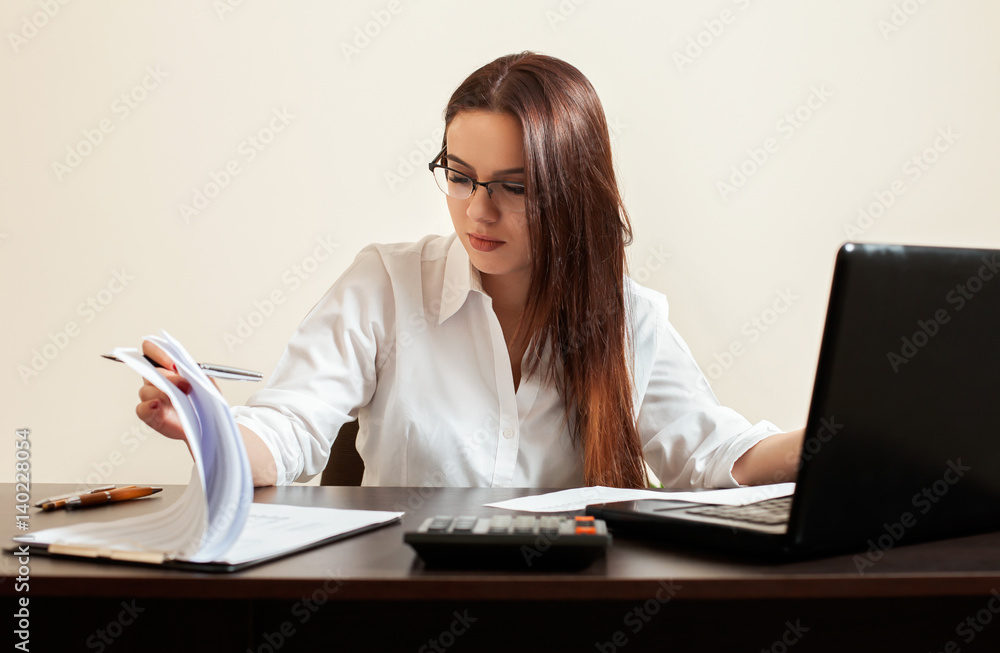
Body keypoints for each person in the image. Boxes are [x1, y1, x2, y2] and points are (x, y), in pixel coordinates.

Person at [136, 52, 804, 489]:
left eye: (513, 187)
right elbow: (287, 432)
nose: (477, 211)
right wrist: (208, 423)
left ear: (571, 190)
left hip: (563, 616)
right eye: (459, 177)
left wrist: (844, 436)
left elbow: (719, 457)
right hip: (399, 609)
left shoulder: (628, 318)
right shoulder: (386, 288)